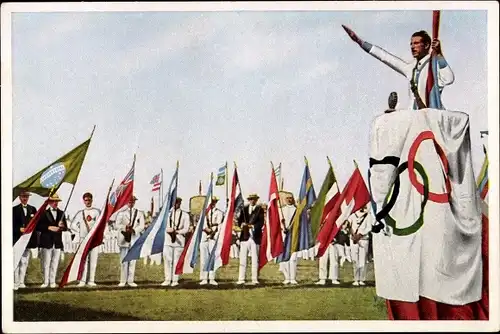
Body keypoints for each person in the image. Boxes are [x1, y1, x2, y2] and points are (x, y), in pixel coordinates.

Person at [342, 25, 454, 110]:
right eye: (411, 44)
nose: (412, 47)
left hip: (432, 117)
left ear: (426, 45)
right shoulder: (411, 68)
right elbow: (386, 57)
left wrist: (439, 54)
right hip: (414, 117)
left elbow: (449, 78)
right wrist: (360, 42)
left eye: (416, 43)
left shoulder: (433, 65)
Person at [36, 193, 68, 288]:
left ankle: (52, 281)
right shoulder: (43, 213)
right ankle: (46, 281)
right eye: (53, 201)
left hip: (57, 242)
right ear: (49, 202)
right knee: (46, 263)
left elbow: (65, 228)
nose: (55, 203)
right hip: (46, 241)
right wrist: (49, 227)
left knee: (55, 262)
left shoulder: (61, 213)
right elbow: (38, 226)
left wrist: (62, 226)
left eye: (56, 201)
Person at [70, 192, 101, 287]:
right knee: (83, 260)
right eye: (86, 200)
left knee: (93, 260)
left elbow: (101, 224)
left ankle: (91, 280)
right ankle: (82, 281)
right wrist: (80, 230)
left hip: (94, 239)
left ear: (92, 200)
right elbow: (73, 225)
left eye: (89, 200)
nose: (87, 202)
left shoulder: (97, 212)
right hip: (83, 239)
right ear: (83, 201)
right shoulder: (80, 213)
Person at [233, 193, 265, 285]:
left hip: (255, 237)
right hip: (245, 237)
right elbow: (239, 221)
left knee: (255, 259)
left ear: (256, 200)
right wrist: (242, 224)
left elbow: (261, 223)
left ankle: (254, 279)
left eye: (254, 199)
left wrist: (252, 226)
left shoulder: (260, 210)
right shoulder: (244, 209)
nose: (252, 201)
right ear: (248, 200)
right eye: (250, 199)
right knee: (242, 259)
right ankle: (241, 279)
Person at [114, 195, 145, 287]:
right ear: (126, 202)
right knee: (124, 260)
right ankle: (123, 280)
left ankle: (130, 280)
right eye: (130, 201)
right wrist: (125, 227)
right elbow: (117, 225)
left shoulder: (139, 213)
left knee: (132, 260)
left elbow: (142, 225)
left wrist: (134, 230)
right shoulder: (121, 213)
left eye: (133, 201)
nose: (131, 203)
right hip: (124, 238)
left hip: (134, 237)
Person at [161, 197, 190, 287]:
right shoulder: (167, 214)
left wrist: (177, 232)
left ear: (180, 203)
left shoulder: (185, 215)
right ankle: (167, 279)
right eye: (175, 203)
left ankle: (175, 280)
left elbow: (186, 228)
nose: (176, 204)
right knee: (167, 260)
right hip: (168, 240)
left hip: (179, 240)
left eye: (178, 203)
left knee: (176, 261)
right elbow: (162, 226)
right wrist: (168, 230)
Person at [13, 190, 38, 290]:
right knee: (16, 261)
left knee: (24, 261)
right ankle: (15, 282)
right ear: (19, 197)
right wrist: (19, 229)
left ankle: (22, 282)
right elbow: (10, 224)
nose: (25, 198)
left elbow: (35, 224)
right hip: (17, 239)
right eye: (23, 196)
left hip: (27, 240)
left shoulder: (33, 209)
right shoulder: (14, 210)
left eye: (27, 196)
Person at [316, 221, 351, 286]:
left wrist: (335, 239)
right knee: (323, 260)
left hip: (333, 243)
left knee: (334, 260)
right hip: (324, 243)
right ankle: (322, 279)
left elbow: (338, 229)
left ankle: (334, 278)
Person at [199, 196, 224, 285]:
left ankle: (212, 278)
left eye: (214, 201)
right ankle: (204, 278)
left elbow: (220, 225)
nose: (213, 203)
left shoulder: (219, 212)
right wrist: (206, 229)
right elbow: (201, 224)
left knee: (212, 258)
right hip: (204, 236)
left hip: (213, 237)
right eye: (211, 201)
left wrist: (213, 232)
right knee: (204, 258)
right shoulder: (204, 212)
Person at [348, 206, 373, 286]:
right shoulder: (352, 215)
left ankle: (362, 279)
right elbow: (348, 226)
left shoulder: (367, 216)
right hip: (353, 240)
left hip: (364, 239)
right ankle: (356, 279)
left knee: (363, 260)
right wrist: (353, 234)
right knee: (355, 259)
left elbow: (369, 227)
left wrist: (360, 235)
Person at [278, 194, 298, 285]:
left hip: (293, 235)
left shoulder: (297, 210)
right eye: (287, 198)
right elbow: (279, 221)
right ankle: (287, 277)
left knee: (293, 258)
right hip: (284, 235)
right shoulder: (282, 210)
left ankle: (293, 278)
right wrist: (283, 228)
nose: (289, 200)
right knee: (284, 258)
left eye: (290, 198)